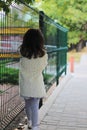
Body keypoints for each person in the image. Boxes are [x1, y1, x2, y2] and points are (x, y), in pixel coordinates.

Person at [19, 29, 48, 130]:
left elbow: (22, 65)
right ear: (40, 40)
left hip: (25, 83)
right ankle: (35, 126)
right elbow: (43, 66)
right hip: (36, 84)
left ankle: (30, 121)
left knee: (27, 104)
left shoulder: (23, 52)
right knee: (35, 105)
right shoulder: (43, 54)